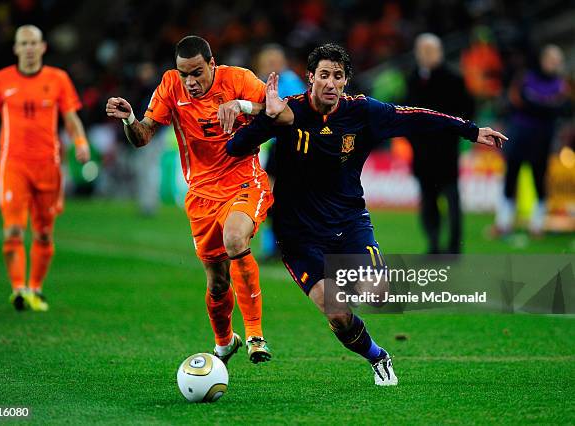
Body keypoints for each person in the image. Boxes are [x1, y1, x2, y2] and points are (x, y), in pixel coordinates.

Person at [227, 44, 507, 385]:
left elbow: (417, 117)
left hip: (348, 223)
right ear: (311, 78)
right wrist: (266, 119)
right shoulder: (289, 112)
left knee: (376, 293)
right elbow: (236, 147)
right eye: (325, 76)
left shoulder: (363, 112)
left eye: (338, 77)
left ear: (346, 81)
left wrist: (471, 130)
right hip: (298, 234)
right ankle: (378, 356)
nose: (331, 83)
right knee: (339, 315)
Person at [106, 36, 287, 364]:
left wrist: (244, 106)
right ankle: (223, 343)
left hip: (244, 182)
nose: (190, 81)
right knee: (217, 283)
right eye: (184, 73)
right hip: (202, 195)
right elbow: (143, 136)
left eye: (197, 73)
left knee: (235, 238)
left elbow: (282, 113)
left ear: (212, 64)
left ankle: (255, 335)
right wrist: (129, 119)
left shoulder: (239, 79)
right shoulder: (170, 86)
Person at [0, 25, 90, 312]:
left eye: (34, 43)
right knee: (13, 230)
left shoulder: (58, 79)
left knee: (44, 233)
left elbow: (70, 118)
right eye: (24, 43)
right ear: (16, 48)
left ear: (43, 47)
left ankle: (35, 288)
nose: (30, 48)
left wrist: (80, 142)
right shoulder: (1, 80)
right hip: (14, 164)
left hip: (48, 165)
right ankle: (18, 289)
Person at [406, 33, 475, 253]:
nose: (425, 55)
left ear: (440, 52)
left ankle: (454, 246)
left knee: (452, 198)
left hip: (445, 149)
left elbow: (467, 109)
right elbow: (406, 112)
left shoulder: (454, 78)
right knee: (428, 201)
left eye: (430, 51)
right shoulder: (412, 78)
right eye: (422, 51)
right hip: (422, 151)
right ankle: (433, 244)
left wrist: (455, 132)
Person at [493, 44, 570, 237]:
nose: (555, 64)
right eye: (552, 60)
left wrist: (538, 105)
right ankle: (503, 222)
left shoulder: (561, 84)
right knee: (511, 176)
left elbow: (562, 107)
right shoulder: (526, 78)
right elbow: (520, 102)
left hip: (542, 136)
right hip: (520, 133)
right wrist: (546, 106)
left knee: (539, 178)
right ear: (543, 60)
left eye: (557, 61)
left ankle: (537, 224)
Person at [255, 44, 307, 260]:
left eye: (275, 61)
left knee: (288, 199)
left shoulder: (290, 82)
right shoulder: (258, 82)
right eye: (268, 61)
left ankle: (291, 246)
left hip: (293, 145)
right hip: (277, 147)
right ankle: (273, 247)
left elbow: (291, 113)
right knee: (270, 197)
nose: (272, 65)